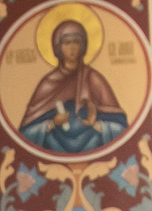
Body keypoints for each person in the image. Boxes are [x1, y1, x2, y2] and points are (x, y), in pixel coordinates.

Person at [17, 17, 129, 154]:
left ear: (83, 45)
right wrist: (52, 124)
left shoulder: (94, 79)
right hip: (54, 149)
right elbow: (25, 135)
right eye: (66, 42)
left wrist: (97, 125)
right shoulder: (48, 83)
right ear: (58, 46)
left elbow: (121, 129)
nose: (71, 47)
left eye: (76, 42)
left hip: (92, 146)